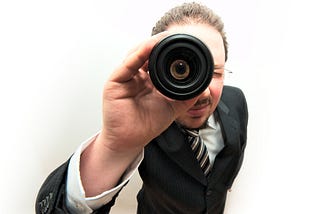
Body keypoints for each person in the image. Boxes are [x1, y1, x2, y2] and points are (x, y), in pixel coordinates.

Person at [36, 2, 248, 214]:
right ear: (157, 70)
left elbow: (234, 152)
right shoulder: (145, 125)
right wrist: (114, 147)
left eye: (214, 73)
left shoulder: (236, 100)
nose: (201, 93)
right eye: (182, 70)